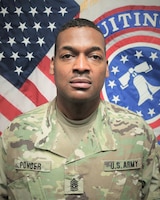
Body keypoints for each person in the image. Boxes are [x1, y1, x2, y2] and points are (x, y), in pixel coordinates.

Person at [0, 18, 159, 200]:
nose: (81, 66)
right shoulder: (16, 134)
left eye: (94, 57)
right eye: (68, 56)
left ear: (106, 68)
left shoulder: (138, 134)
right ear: (53, 65)